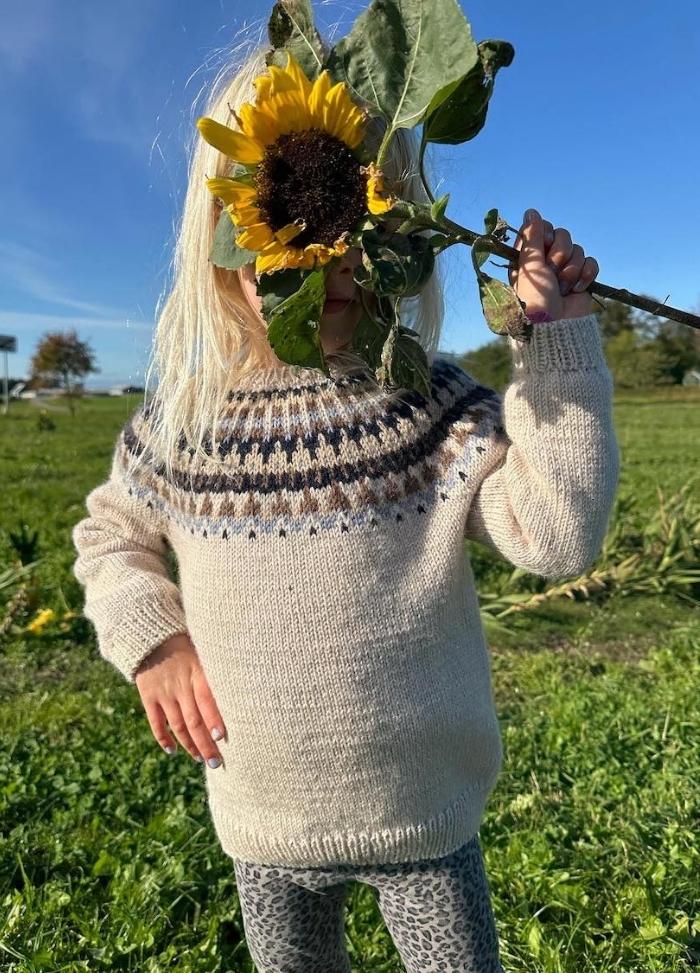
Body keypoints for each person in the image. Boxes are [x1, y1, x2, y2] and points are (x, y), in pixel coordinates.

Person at [71, 36, 620, 973]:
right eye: (280, 225)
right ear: (222, 234)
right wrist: (152, 638)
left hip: (422, 818)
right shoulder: (185, 424)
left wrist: (557, 343)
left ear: (403, 231)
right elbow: (109, 533)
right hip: (261, 819)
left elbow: (558, 535)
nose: (321, 263)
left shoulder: (426, 406)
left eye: (356, 226)